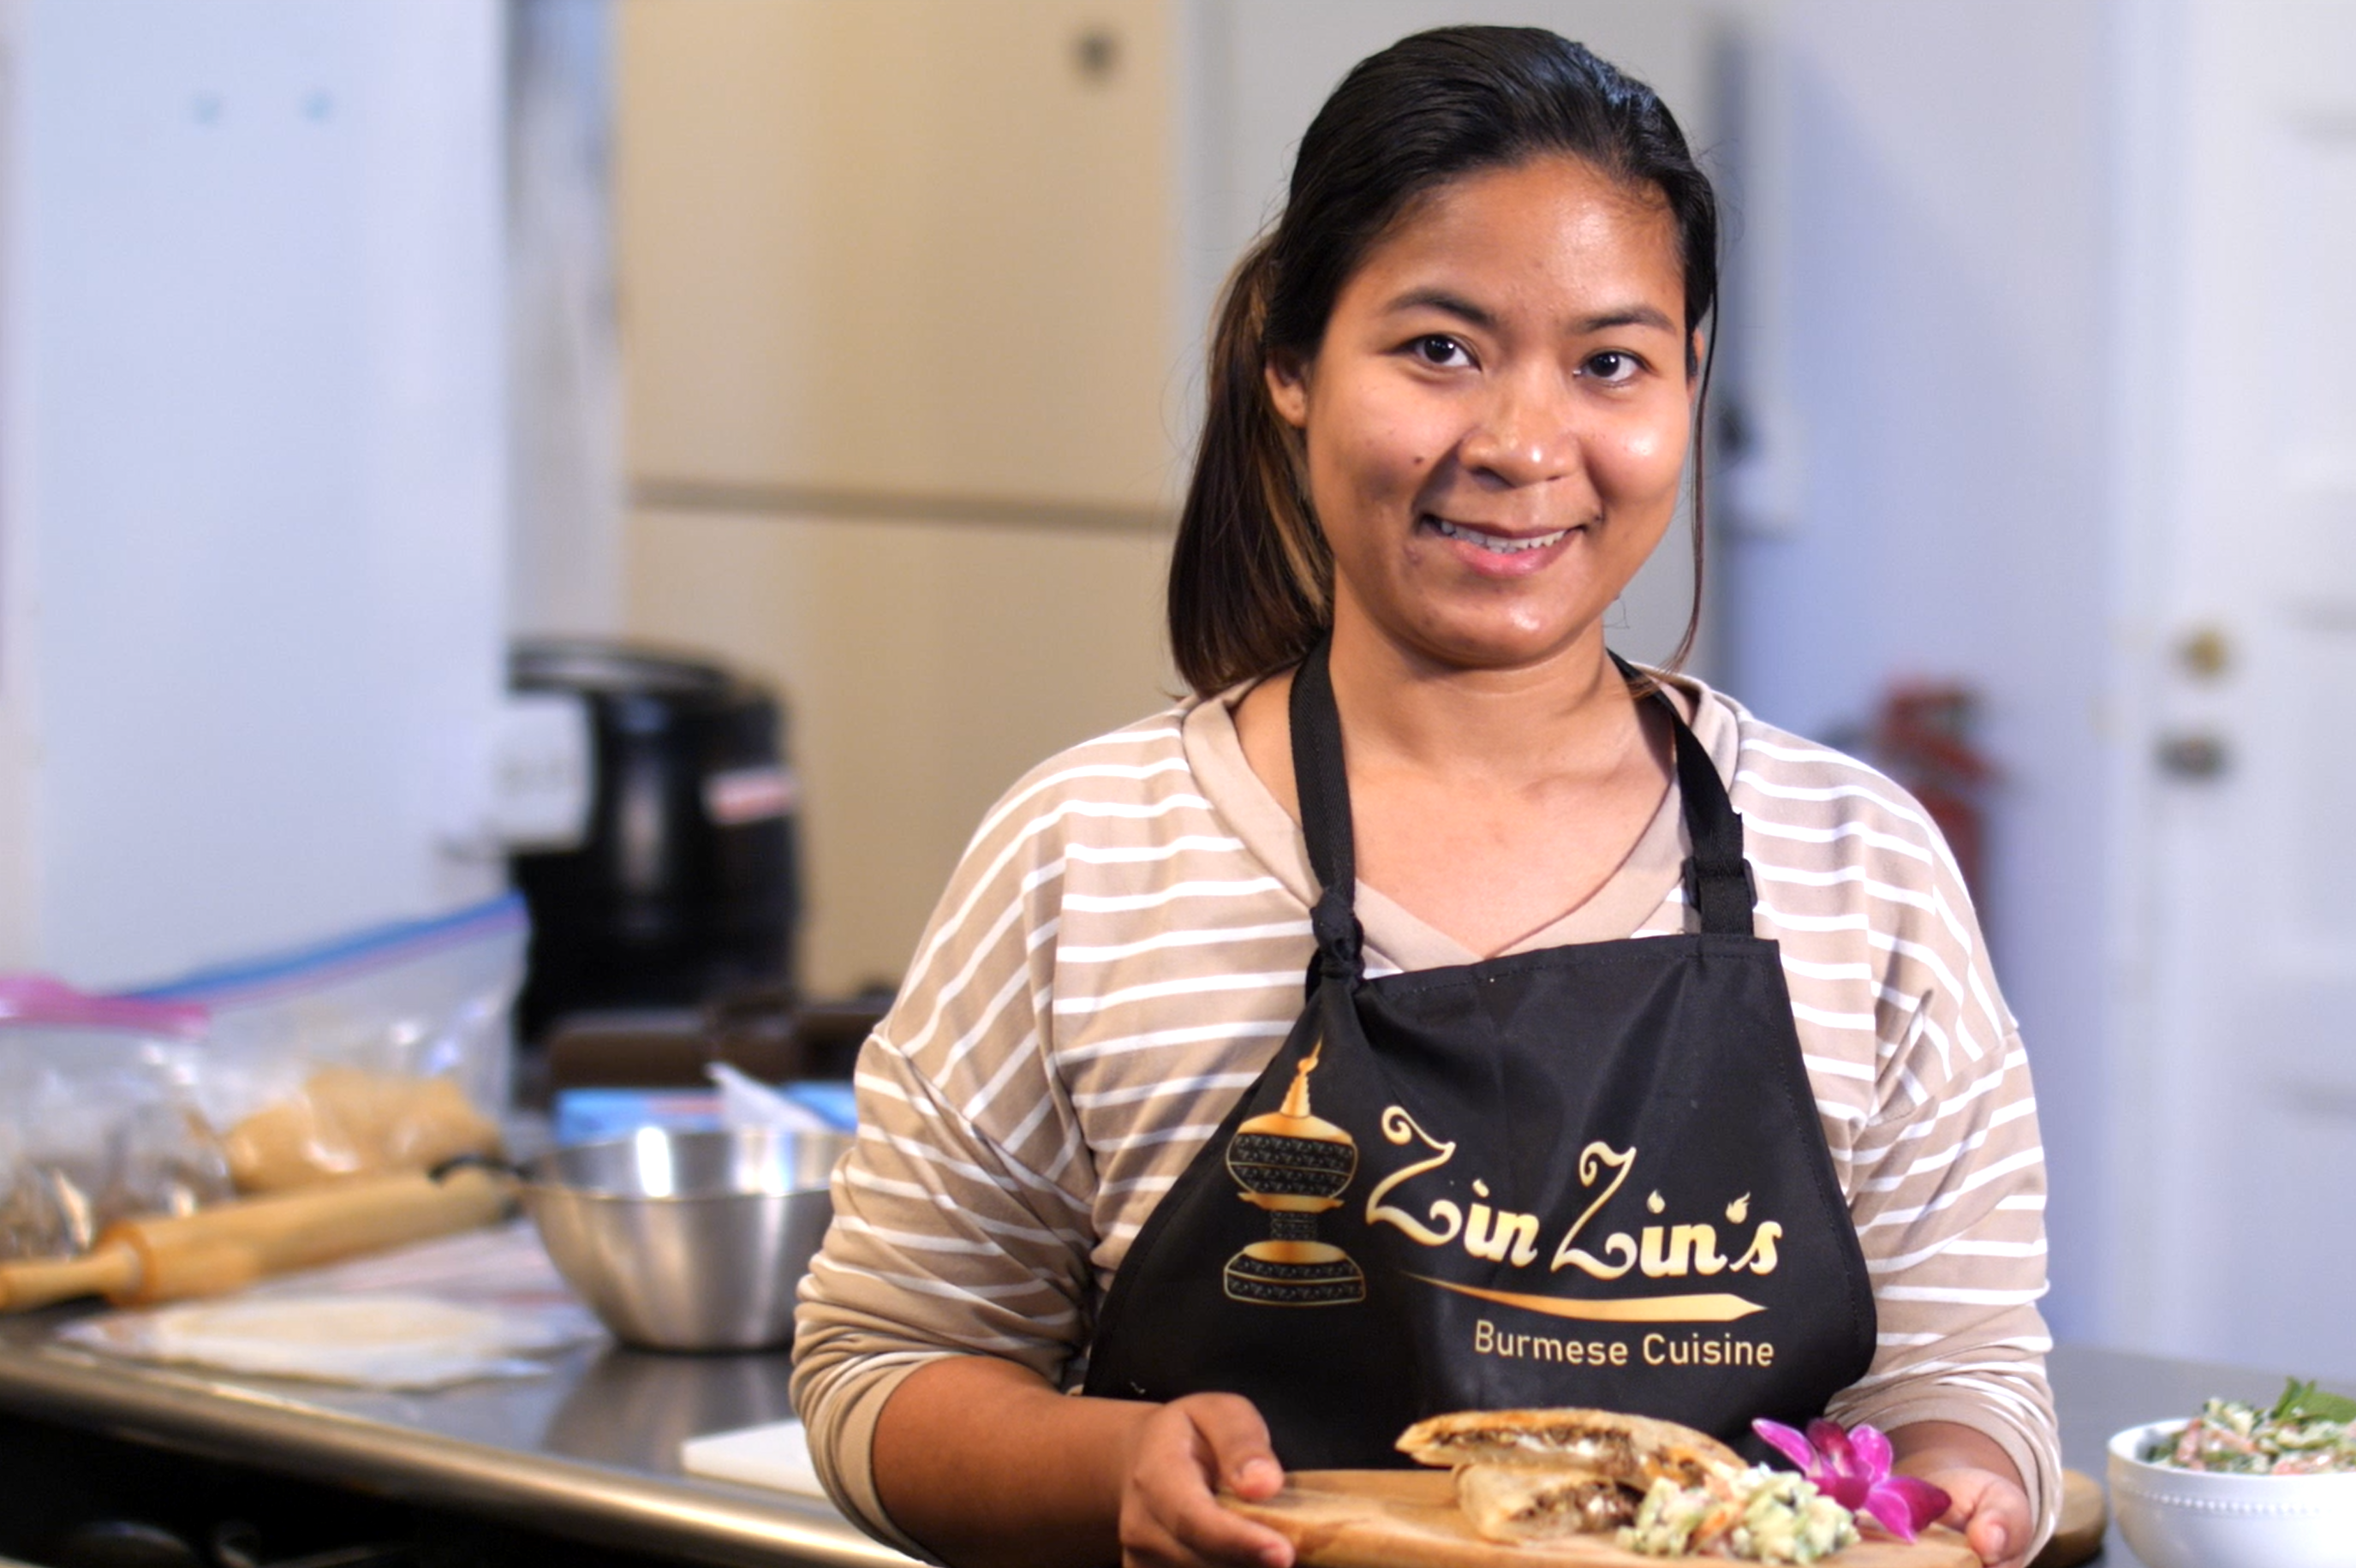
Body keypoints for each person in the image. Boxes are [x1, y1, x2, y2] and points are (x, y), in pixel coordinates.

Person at [794, 26, 2055, 1568]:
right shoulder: (1090, 853)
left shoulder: (1858, 867)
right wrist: (1109, 1465)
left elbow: (1961, 1374)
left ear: (1688, 388)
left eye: (1611, 363)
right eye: (1439, 348)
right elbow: (877, 1367)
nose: (1524, 444)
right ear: (1288, 364)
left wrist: (1960, 1492)